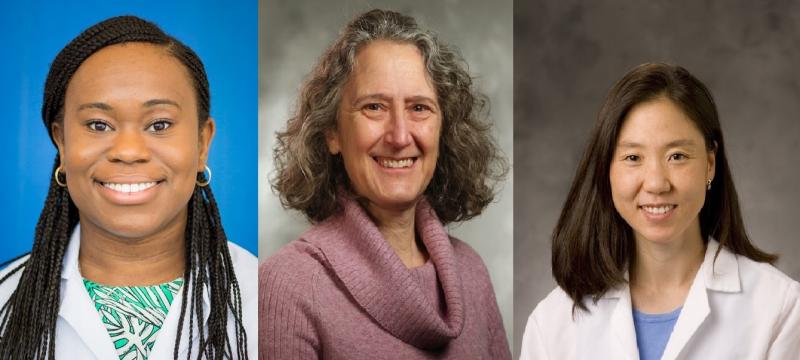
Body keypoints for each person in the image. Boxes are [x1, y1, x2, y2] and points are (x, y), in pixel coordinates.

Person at [0, 16, 256, 359]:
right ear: (61, 143)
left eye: (160, 124)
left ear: (202, 143)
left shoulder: (265, 295)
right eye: (98, 124)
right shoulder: (6, 299)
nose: (129, 151)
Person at [260, 9, 510, 359]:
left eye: (419, 108)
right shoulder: (288, 286)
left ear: (444, 130)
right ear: (332, 132)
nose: (399, 135)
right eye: (374, 107)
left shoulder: (472, 273)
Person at [520, 63, 800, 359]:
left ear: (710, 163)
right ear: (607, 170)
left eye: (676, 156)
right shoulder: (553, 323)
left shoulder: (780, 309)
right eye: (633, 157)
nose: (656, 183)